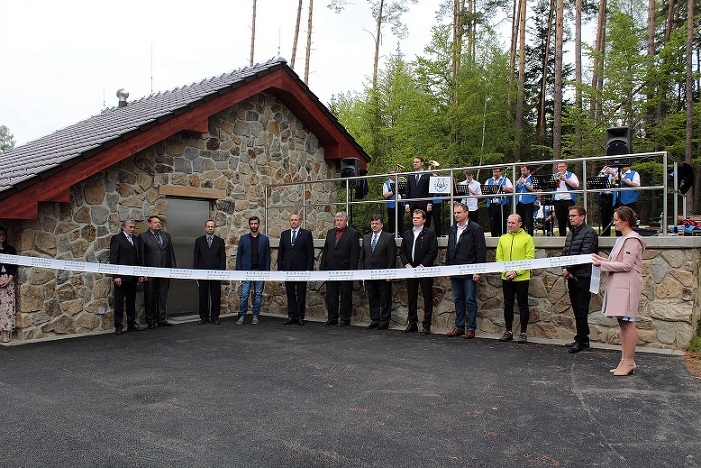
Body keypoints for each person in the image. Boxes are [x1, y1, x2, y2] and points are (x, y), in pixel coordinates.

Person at [592, 206, 645, 376]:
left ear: (625, 221)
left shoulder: (632, 240)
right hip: (618, 284)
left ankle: (629, 361)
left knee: (628, 323)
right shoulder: (621, 240)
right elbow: (614, 260)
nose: (614, 223)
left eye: (616, 220)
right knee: (622, 323)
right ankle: (624, 360)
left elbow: (627, 265)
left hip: (627, 286)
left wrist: (603, 264)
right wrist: (600, 259)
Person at [445, 203, 486, 339]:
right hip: (455, 270)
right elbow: (450, 249)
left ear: (466, 213)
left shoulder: (475, 229)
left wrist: (477, 270)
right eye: (455, 213)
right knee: (458, 300)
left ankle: (471, 328)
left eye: (459, 213)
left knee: (470, 300)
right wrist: (448, 268)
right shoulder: (452, 229)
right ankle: (459, 326)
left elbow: (481, 251)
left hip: (469, 270)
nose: (456, 215)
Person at [561, 207, 598, 353]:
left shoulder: (589, 233)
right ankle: (581, 338)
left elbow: (586, 254)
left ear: (582, 217)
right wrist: (565, 267)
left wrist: (569, 269)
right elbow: (565, 252)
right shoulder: (571, 233)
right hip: (572, 276)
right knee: (576, 309)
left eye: (573, 215)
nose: (570, 218)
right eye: (569, 215)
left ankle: (582, 340)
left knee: (582, 309)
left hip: (583, 276)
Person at [496, 214, 535, 343]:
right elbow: (499, 257)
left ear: (520, 224)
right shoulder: (503, 238)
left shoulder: (527, 238)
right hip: (506, 277)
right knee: (508, 304)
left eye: (513, 223)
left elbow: (529, 258)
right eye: (508, 223)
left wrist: (517, 272)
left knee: (523, 304)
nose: (510, 225)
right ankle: (508, 331)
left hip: (522, 278)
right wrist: (505, 271)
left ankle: (523, 332)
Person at [399, 209, 438, 335]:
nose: (415, 219)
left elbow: (433, 251)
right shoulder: (407, 233)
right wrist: (407, 264)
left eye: (418, 217)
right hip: (410, 270)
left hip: (424, 270)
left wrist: (422, 265)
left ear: (424, 220)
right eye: (414, 217)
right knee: (411, 297)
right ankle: (412, 323)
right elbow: (402, 251)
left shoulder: (430, 233)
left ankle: (426, 325)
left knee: (427, 297)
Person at [320, 212, 360, 326]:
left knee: (345, 295)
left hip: (345, 269)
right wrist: (323, 268)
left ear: (345, 221)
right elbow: (326, 251)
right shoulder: (330, 232)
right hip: (331, 269)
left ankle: (345, 318)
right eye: (337, 220)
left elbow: (354, 254)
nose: (338, 222)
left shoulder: (353, 234)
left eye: (340, 220)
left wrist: (352, 272)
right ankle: (332, 317)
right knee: (331, 295)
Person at [139, 215, 177, 329]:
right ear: (149, 224)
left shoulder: (166, 236)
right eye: (155, 222)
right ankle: (151, 320)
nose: (158, 224)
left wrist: (173, 269)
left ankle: (161, 318)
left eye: (159, 222)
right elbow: (141, 256)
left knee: (162, 296)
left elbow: (171, 253)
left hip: (165, 271)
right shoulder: (143, 237)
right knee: (150, 296)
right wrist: (142, 273)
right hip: (151, 273)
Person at [360, 214, 397, 330]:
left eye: (376, 223)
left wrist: (389, 274)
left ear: (381, 225)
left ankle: (385, 320)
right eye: (372, 223)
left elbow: (392, 257)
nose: (374, 225)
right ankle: (375, 319)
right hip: (369, 274)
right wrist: (361, 272)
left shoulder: (388, 237)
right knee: (372, 297)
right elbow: (362, 257)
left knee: (385, 298)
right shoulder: (366, 237)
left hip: (383, 274)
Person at [109, 220, 145, 335]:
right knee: (119, 301)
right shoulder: (117, 239)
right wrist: (116, 275)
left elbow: (139, 258)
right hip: (121, 277)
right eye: (130, 227)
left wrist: (140, 273)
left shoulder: (135, 240)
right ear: (124, 227)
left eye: (134, 227)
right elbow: (114, 257)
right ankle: (118, 326)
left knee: (131, 301)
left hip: (133, 276)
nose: (132, 229)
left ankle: (131, 323)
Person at [278, 213, 314, 326]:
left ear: (300, 222)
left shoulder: (306, 234)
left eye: (296, 220)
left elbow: (310, 253)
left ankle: (300, 316)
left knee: (301, 293)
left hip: (301, 269)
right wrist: (280, 269)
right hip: (288, 269)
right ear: (289, 222)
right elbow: (281, 253)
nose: (293, 222)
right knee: (290, 293)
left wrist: (309, 269)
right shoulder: (284, 234)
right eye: (292, 220)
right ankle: (291, 316)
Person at [235, 216, 271, 325]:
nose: (253, 226)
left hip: (260, 271)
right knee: (244, 294)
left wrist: (266, 272)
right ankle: (242, 315)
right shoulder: (243, 239)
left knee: (258, 293)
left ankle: (255, 315)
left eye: (255, 224)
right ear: (249, 225)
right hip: (246, 271)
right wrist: (239, 272)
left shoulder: (265, 239)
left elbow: (267, 257)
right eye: (252, 224)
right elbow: (239, 256)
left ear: (258, 225)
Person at [193, 219, 226, 325]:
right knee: (203, 296)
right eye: (208, 226)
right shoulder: (199, 241)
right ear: (205, 228)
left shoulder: (220, 241)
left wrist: (222, 273)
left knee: (215, 296)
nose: (210, 228)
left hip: (216, 274)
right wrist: (195, 273)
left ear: (214, 228)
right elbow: (196, 257)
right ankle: (204, 317)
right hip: (202, 274)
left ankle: (215, 317)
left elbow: (222, 258)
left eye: (212, 226)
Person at [404, 157, 432, 228]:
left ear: (422, 163)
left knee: (426, 224)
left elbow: (430, 190)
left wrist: (429, 203)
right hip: (413, 203)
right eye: (414, 162)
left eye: (417, 162)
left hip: (424, 203)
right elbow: (408, 190)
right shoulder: (410, 175)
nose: (415, 163)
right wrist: (407, 203)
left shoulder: (428, 175)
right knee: (414, 223)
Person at [485, 167, 513, 237]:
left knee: (502, 221)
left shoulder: (505, 180)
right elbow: (484, 191)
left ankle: (503, 237)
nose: (495, 174)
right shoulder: (489, 181)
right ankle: (494, 237)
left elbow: (511, 189)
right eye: (494, 172)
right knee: (493, 222)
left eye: (497, 172)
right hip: (492, 204)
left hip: (502, 204)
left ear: (500, 172)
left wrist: (500, 187)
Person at [553, 162, 579, 236]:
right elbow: (551, 186)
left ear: (566, 167)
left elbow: (576, 185)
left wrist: (565, 179)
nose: (561, 168)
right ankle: (562, 237)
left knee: (571, 220)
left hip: (568, 201)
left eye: (563, 166)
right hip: (557, 201)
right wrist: (556, 180)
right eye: (559, 167)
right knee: (560, 221)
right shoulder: (554, 176)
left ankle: (573, 237)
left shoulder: (571, 175)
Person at [0, 227, 17, 343]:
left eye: (3, 235)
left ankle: (5, 333)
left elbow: (13, 266)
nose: (1, 237)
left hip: (7, 279)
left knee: (7, 307)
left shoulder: (10, 250)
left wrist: (9, 279)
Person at [515, 165, 537, 235]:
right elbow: (515, 191)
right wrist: (516, 185)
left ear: (528, 170)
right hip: (519, 203)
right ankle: (520, 235)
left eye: (524, 171)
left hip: (528, 202)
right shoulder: (519, 179)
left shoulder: (533, 178)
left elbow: (534, 190)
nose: (523, 172)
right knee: (520, 221)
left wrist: (524, 183)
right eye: (522, 171)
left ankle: (530, 235)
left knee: (529, 220)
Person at [383, 168, 403, 237]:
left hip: (400, 204)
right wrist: (394, 190)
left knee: (400, 220)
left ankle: (400, 234)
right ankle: (391, 235)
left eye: (394, 173)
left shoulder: (400, 181)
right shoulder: (386, 183)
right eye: (391, 174)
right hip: (391, 205)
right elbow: (385, 195)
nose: (393, 175)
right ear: (388, 175)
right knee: (392, 221)